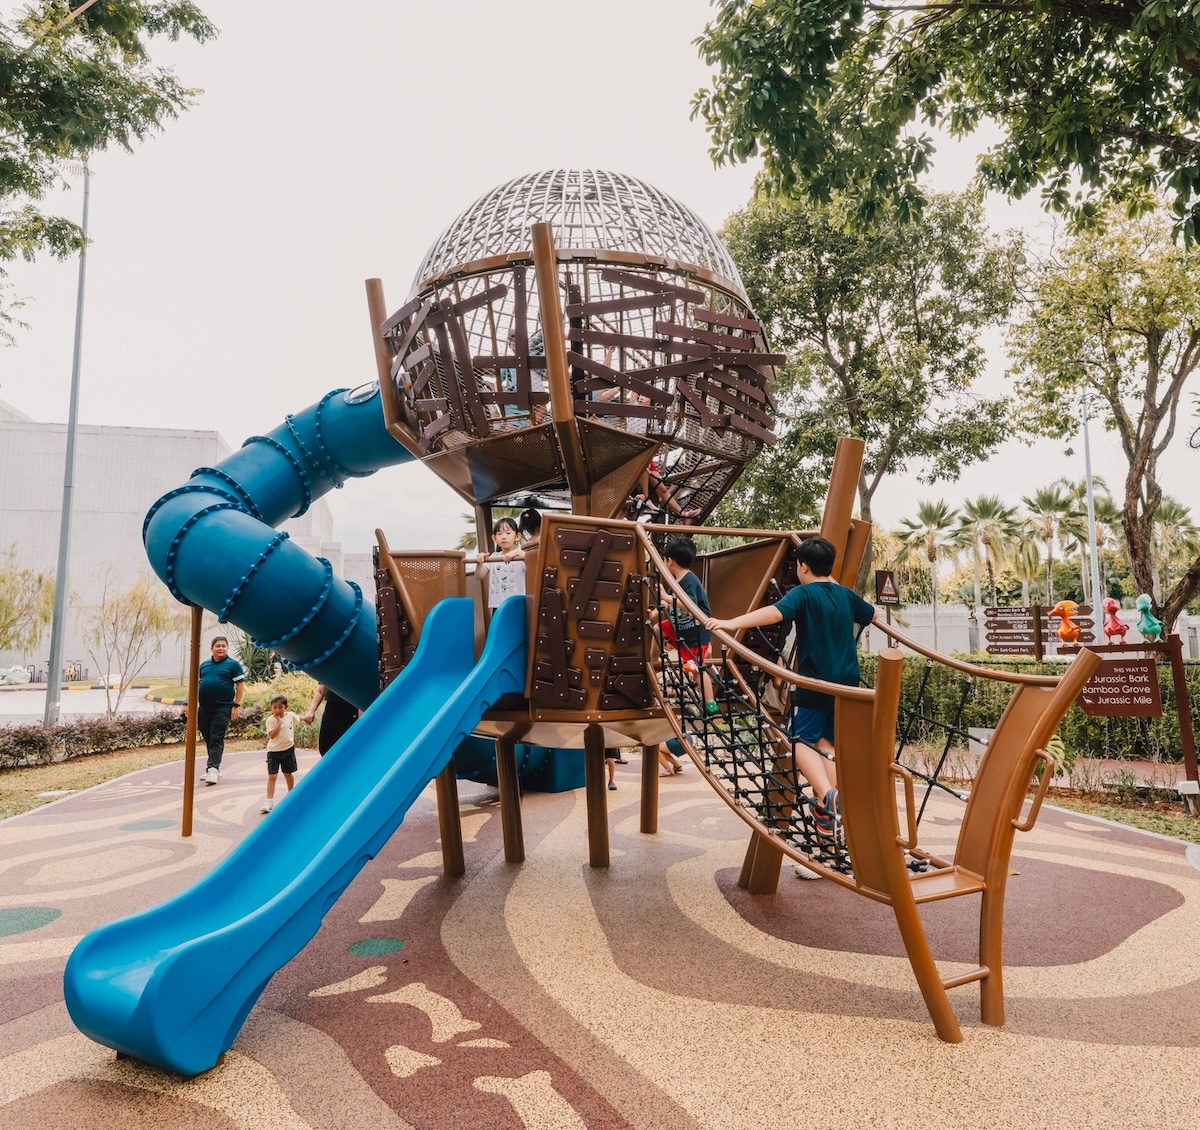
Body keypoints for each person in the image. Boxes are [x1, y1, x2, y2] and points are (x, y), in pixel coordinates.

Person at [704, 536, 874, 842]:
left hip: (815, 681)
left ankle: (826, 797)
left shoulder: (804, 594)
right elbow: (871, 614)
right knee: (825, 744)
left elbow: (774, 613)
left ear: (803, 566)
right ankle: (837, 815)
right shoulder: (845, 596)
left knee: (795, 740)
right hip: (848, 683)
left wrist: (731, 623)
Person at [653, 538, 718, 714]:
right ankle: (653, 661)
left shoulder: (689, 580)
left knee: (697, 669)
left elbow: (690, 603)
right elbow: (667, 605)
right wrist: (654, 613)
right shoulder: (675, 581)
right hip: (680, 628)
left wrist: (667, 599)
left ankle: (709, 702)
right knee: (658, 628)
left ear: (670, 561)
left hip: (695, 633)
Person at [197, 634, 244, 785]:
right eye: (218, 646)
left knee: (217, 738)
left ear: (227, 648)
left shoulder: (233, 665)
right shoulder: (204, 665)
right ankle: (216, 766)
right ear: (212, 648)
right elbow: (196, 685)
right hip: (204, 708)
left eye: (224, 646)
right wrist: (186, 703)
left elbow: (240, 686)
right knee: (208, 737)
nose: (221, 648)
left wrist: (236, 705)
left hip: (223, 708)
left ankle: (212, 769)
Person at [475, 516, 526, 608]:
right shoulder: (494, 557)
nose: (504, 537)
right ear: (494, 538)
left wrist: (517, 553)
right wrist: (479, 562)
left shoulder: (521, 555)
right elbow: (479, 575)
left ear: (517, 536)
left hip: (516, 603)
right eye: (499, 534)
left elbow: (533, 566)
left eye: (508, 533)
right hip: (497, 604)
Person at [261, 693, 299, 813]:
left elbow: (298, 719)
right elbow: (272, 736)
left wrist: (307, 718)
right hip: (274, 752)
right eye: (274, 708)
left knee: (288, 773)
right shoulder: (270, 720)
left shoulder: (290, 716)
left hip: (288, 749)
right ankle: (269, 801)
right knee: (272, 776)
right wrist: (279, 723)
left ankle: (291, 795)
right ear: (271, 707)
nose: (277, 710)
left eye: (280, 707)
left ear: (286, 707)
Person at [302, 683, 360, 756]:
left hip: (351, 709)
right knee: (325, 748)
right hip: (331, 708)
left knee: (350, 749)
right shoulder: (329, 672)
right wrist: (311, 711)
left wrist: (361, 718)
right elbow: (320, 690)